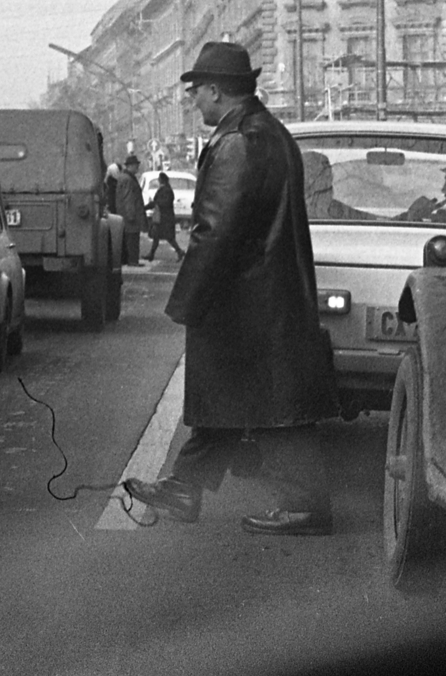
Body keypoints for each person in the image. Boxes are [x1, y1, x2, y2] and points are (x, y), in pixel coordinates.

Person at [124, 41, 340, 535]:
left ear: (217, 91)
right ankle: (184, 486)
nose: (193, 100)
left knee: (272, 406)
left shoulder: (239, 140)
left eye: (196, 91)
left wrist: (188, 299)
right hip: (261, 293)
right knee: (234, 396)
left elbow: (215, 229)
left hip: (246, 297)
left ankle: (306, 506)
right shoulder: (266, 132)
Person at [143, 171, 184, 261]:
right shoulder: (166, 189)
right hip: (163, 217)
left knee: (166, 237)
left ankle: (179, 251)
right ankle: (152, 254)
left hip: (164, 218)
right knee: (158, 236)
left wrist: (148, 206)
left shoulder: (166, 190)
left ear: (161, 180)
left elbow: (164, 202)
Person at [117, 154, 146, 266]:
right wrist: (131, 215)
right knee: (132, 238)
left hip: (127, 214)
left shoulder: (125, 177)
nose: (137, 168)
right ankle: (133, 260)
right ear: (130, 166)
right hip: (130, 216)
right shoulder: (128, 179)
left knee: (129, 238)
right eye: (136, 165)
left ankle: (131, 260)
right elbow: (128, 198)